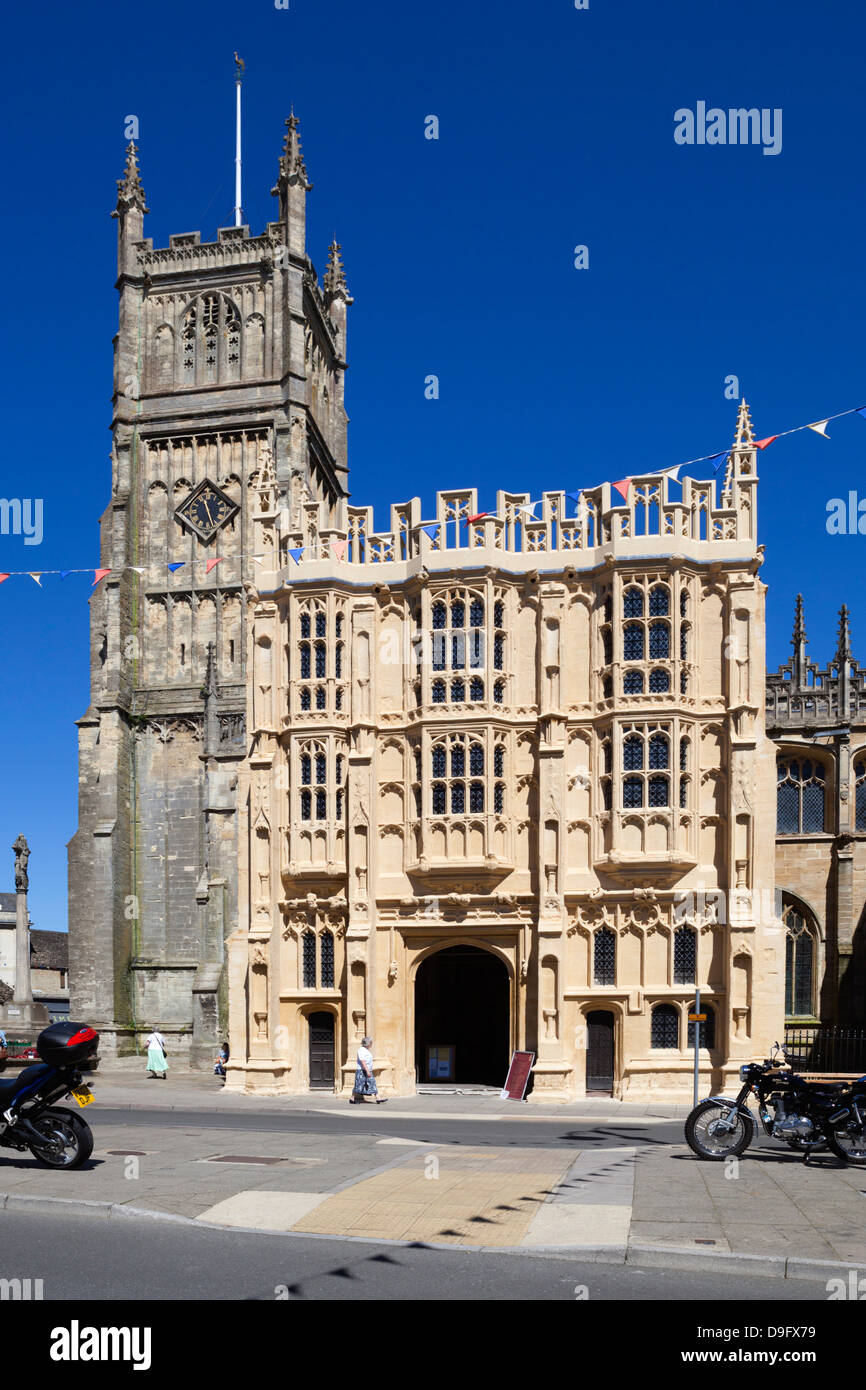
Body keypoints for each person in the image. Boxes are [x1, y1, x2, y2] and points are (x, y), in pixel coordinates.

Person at [350, 1036, 387, 1104]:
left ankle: (378, 1098)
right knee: (358, 1084)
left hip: (368, 1070)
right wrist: (367, 1071)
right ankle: (352, 1098)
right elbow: (362, 1061)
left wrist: (368, 1070)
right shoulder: (361, 1050)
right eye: (371, 1042)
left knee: (372, 1083)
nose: (372, 1044)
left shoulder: (366, 1050)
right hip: (362, 1070)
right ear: (368, 1043)